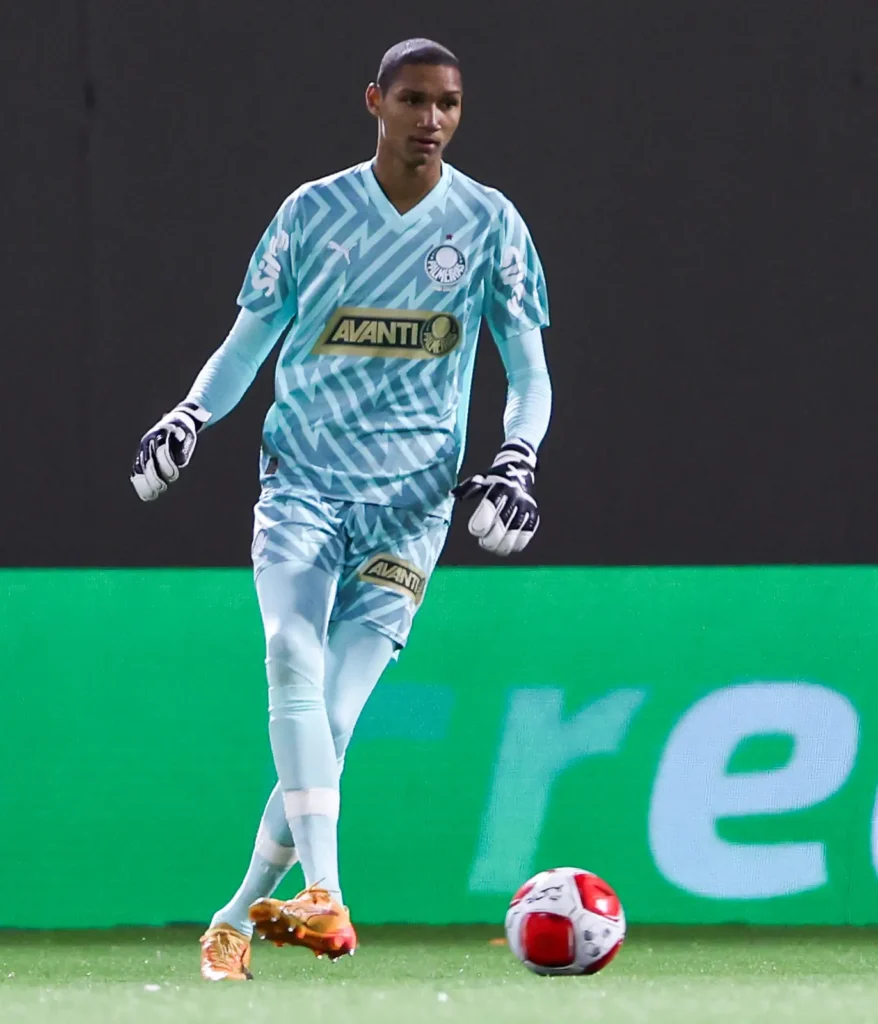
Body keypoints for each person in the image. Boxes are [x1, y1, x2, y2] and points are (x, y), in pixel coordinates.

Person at [130, 37, 552, 981]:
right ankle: (325, 892)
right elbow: (247, 344)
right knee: (290, 652)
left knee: (334, 719)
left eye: (448, 103)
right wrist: (191, 413)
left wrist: (517, 461)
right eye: (414, 100)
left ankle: (235, 914)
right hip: (304, 489)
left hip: (411, 509)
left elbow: (530, 374)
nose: (432, 119)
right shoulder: (311, 213)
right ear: (375, 101)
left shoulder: (490, 223)